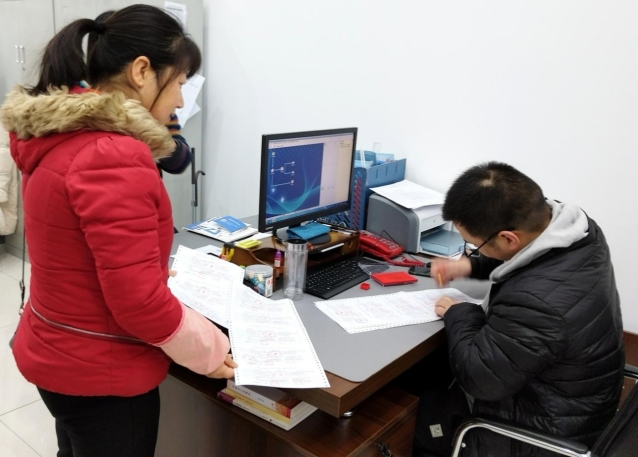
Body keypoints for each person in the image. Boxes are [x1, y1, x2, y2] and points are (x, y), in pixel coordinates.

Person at [0, 5, 235, 457]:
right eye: (179, 84)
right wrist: (209, 350)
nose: (180, 102)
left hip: (59, 346)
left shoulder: (63, 134)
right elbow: (139, 303)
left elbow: (81, 252)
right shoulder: (112, 154)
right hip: (99, 370)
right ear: (142, 71)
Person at [427, 162, 624, 457]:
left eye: (472, 245)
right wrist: (469, 265)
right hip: (581, 400)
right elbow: (529, 256)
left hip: (543, 431)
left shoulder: (537, 303)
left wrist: (461, 312)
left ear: (508, 238)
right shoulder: (577, 231)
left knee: (428, 389)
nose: (472, 249)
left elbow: (479, 379)